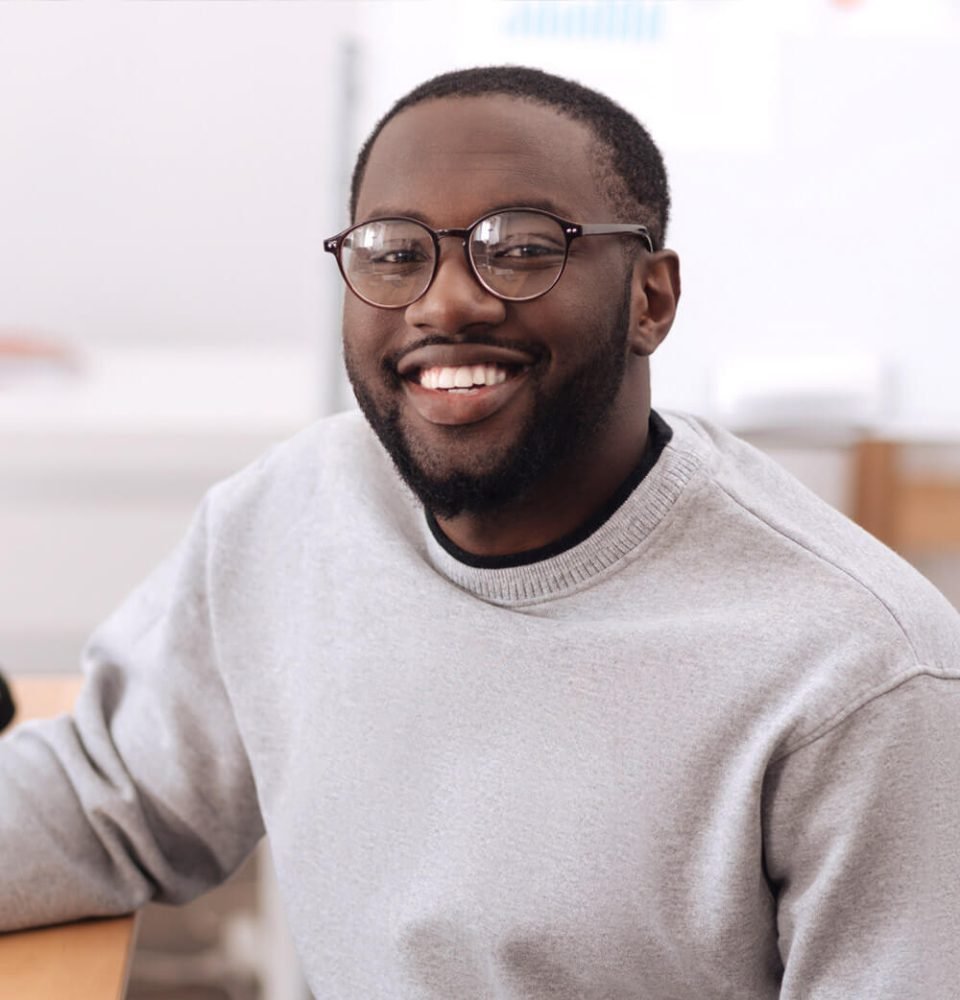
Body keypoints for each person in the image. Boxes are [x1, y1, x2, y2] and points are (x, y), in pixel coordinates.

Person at [1, 65, 959, 999]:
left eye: (523, 248)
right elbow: (104, 803)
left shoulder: (863, 675)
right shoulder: (292, 513)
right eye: (394, 252)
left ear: (651, 300)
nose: (446, 301)